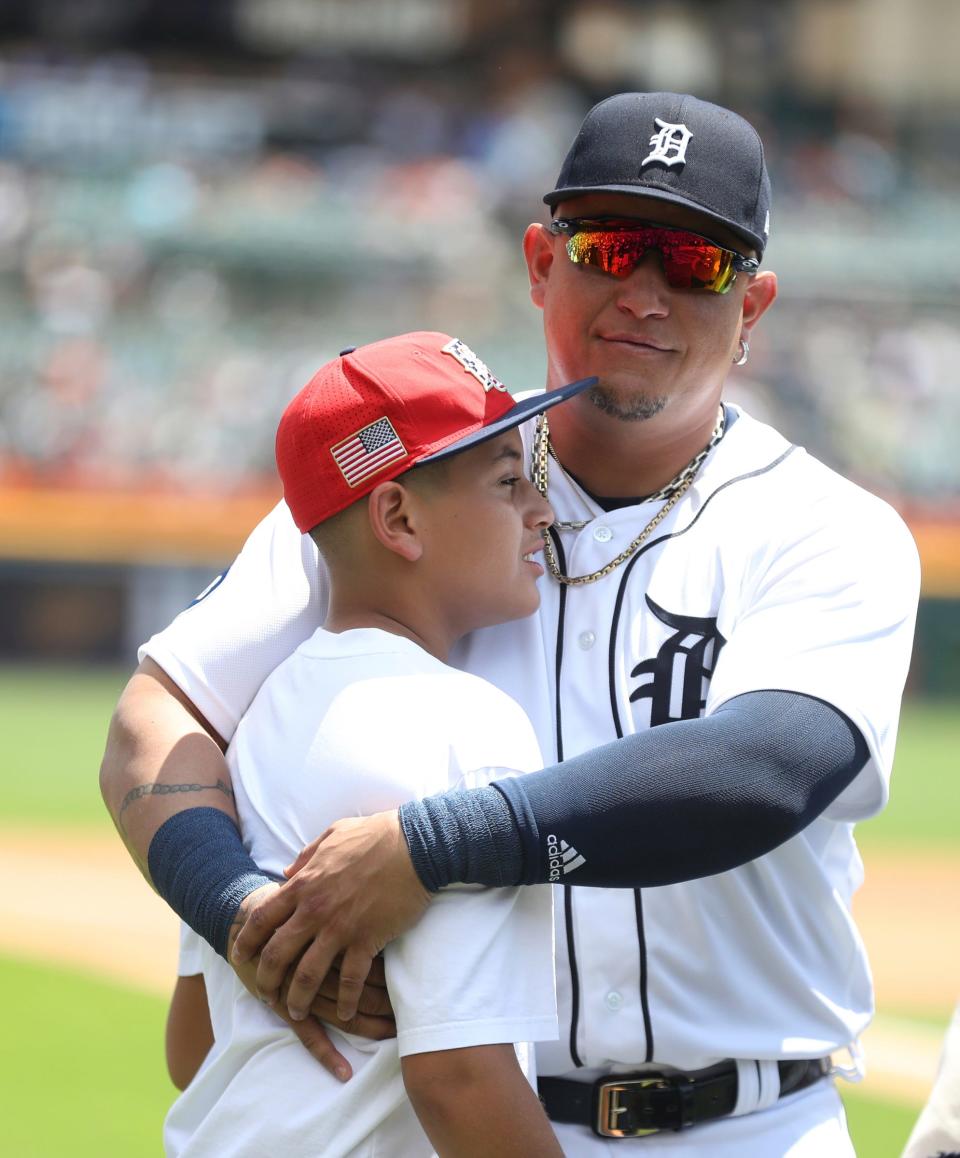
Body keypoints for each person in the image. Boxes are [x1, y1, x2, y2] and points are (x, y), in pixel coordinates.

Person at [100, 92, 920, 1156]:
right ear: (542, 263)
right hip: (457, 1126)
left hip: (748, 1124)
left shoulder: (824, 528)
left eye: (696, 263)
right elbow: (153, 720)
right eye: (612, 246)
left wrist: (431, 849)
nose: (646, 291)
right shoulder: (402, 499)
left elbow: (764, 768)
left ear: (753, 305)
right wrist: (236, 908)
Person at [158, 331, 593, 1156]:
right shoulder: (468, 722)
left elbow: (192, 1050)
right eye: (507, 482)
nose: (542, 510)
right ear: (397, 517)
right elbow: (460, 1079)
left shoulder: (248, 722)